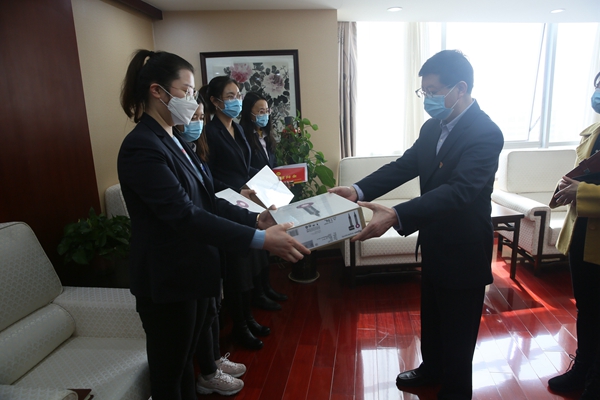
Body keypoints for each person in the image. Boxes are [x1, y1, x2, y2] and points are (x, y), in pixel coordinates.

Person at [117, 49, 309, 400]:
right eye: (187, 90)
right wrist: (259, 239)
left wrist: (256, 219)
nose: (193, 99)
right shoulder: (142, 147)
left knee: (187, 365)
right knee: (171, 374)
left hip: (194, 270)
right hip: (169, 279)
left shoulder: (175, 140)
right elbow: (184, 215)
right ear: (157, 91)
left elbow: (208, 200)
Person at [329, 49, 504, 399]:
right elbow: (404, 165)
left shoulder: (485, 132)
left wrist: (397, 214)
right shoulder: (432, 127)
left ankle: (455, 390)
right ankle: (431, 369)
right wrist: (357, 189)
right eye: (423, 91)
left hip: (465, 248)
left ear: (460, 88)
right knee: (433, 315)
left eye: (434, 91)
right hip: (435, 241)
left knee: (459, 330)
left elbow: (460, 191)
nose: (428, 99)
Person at [176, 98, 249, 388]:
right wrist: (256, 234)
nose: (197, 123)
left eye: (200, 118)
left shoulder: (194, 151)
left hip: (207, 247)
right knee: (202, 315)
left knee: (212, 310)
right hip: (192, 248)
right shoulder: (166, 150)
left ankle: (214, 361)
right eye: (192, 117)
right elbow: (190, 210)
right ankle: (207, 372)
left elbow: (211, 190)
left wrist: (241, 198)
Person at [204, 76, 270, 350]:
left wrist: (270, 181)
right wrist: (237, 190)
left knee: (250, 266)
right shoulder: (209, 132)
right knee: (236, 271)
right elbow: (207, 177)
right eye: (230, 96)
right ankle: (240, 327)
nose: (237, 101)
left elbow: (245, 168)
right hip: (227, 206)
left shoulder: (238, 129)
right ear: (215, 101)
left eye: (238, 95)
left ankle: (249, 318)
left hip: (247, 204)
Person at [548, 71, 600, 400]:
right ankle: (582, 369)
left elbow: (583, 186)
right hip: (581, 233)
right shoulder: (594, 131)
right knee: (587, 308)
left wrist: (581, 192)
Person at [239, 91, 288, 311]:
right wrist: (267, 177)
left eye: (267, 111)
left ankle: (267, 287)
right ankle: (258, 293)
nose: (265, 115)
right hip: (253, 196)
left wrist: (281, 177)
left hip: (269, 196)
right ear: (249, 113)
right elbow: (244, 168)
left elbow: (272, 166)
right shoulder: (243, 136)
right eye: (260, 111)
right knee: (258, 246)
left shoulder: (266, 136)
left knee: (266, 245)